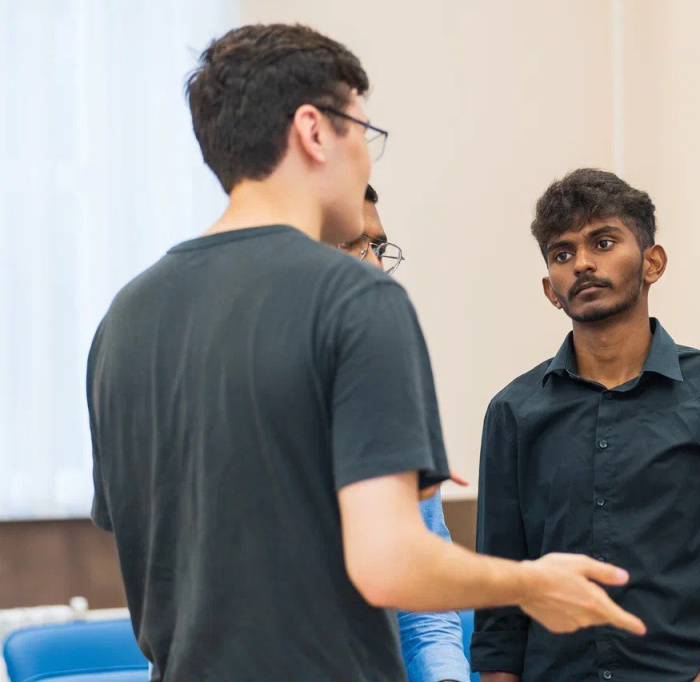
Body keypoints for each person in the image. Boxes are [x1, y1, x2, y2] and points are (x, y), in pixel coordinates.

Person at [86, 24, 644, 682]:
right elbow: (391, 565)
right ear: (314, 131)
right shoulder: (356, 299)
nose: (367, 161)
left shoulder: (124, 318)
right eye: (363, 132)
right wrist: (531, 583)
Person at [472, 169, 700, 682]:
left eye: (603, 243)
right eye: (562, 253)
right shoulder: (512, 413)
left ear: (653, 262)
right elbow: (501, 609)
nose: (582, 263)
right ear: (550, 289)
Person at [338, 184, 470, 682]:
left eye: (377, 246)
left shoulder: (386, 394)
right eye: (352, 244)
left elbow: (425, 608)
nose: (374, 265)